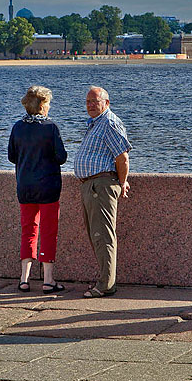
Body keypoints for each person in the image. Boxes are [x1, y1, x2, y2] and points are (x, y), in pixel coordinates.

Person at [72, 86, 132, 298]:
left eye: (95, 101)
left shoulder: (109, 123)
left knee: (103, 236)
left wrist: (122, 181)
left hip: (102, 185)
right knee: (96, 235)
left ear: (107, 103)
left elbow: (122, 157)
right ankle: (105, 279)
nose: (90, 105)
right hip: (92, 185)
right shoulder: (96, 123)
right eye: (88, 101)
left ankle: (106, 285)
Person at [8, 85, 68, 293]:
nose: (49, 107)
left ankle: (24, 278)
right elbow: (61, 157)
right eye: (48, 103)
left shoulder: (17, 127)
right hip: (48, 187)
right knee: (49, 231)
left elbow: (11, 157)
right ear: (42, 106)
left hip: (25, 186)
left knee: (28, 230)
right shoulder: (50, 127)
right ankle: (48, 280)